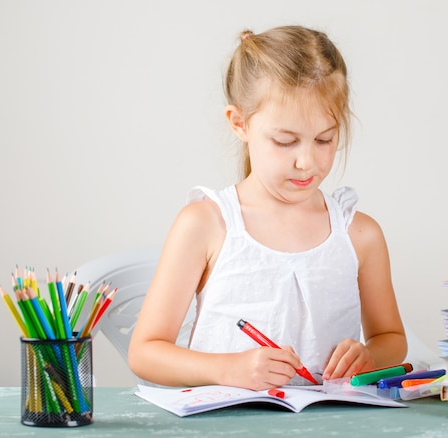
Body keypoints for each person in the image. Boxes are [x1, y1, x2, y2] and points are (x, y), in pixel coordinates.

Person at [128, 25, 407, 390]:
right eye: (285, 141)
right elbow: (146, 352)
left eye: (325, 139)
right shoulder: (206, 224)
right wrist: (227, 370)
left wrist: (371, 356)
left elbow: (391, 339)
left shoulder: (360, 234)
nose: (307, 161)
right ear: (240, 123)